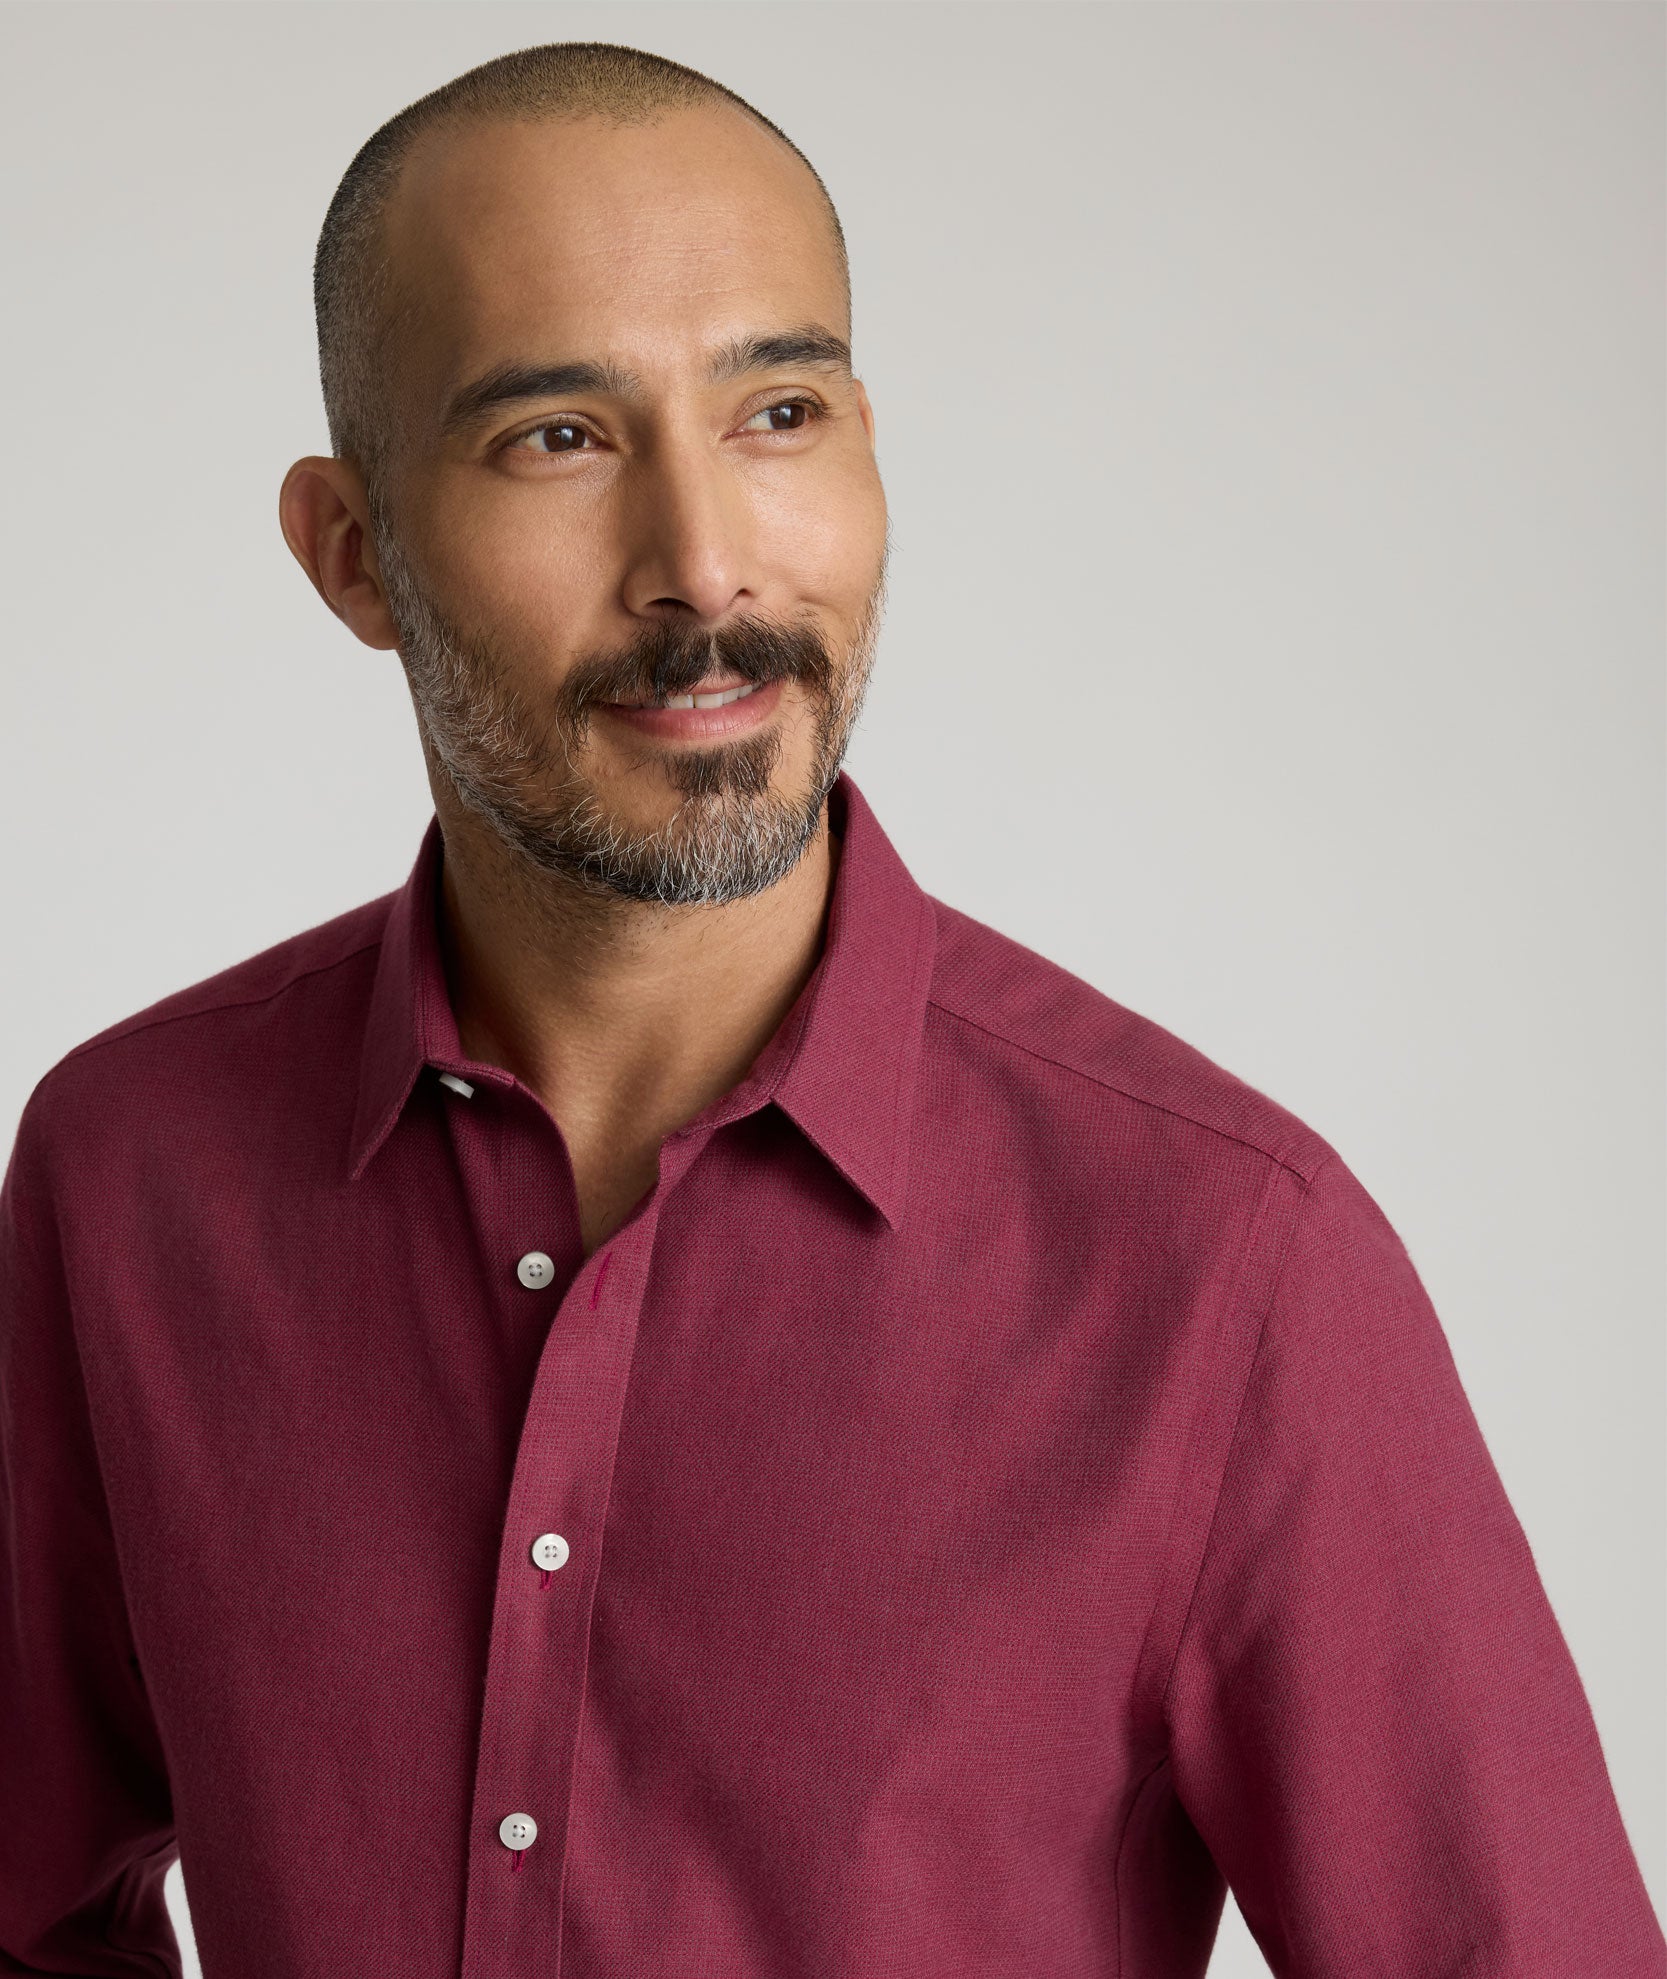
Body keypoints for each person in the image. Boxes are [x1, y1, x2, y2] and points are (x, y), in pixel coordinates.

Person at [0, 38, 1660, 1979]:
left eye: (778, 412)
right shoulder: (130, 1179)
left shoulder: (1222, 1259)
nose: (704, 565)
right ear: (352, 553)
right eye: (560, 437)